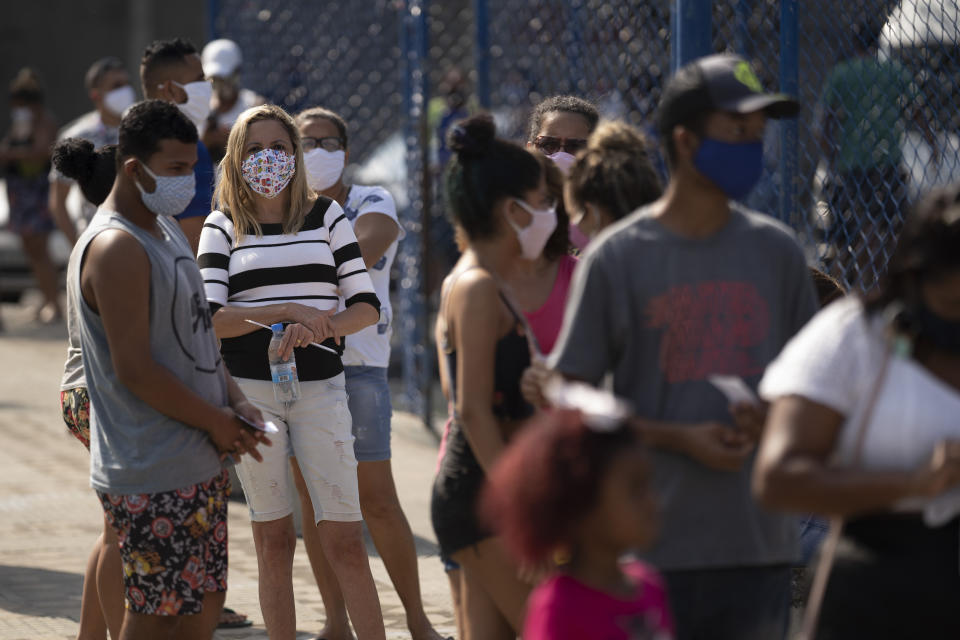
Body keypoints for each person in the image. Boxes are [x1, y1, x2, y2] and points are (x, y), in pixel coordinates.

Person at [547, 54, 817, 640]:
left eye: (756, 132)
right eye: (735, 130)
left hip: (760, 546)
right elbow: (569, 398)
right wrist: (675, 438)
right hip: (651, 550)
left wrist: (772, 417)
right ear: (687, 142)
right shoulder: (618, 258)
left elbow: (809, 390)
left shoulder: (778, 252)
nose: (752, 145)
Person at [72, 98, 270, 640]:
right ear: (134, 169)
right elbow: (135, 369)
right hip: (152, 468)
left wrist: (235, 402)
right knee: (157, 616)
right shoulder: (116, 247)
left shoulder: (163, 232)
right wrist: (216, 421)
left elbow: (197, 333)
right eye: (177, 170)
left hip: (196, 461)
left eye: (192, 168)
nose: (190, 182)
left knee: (201, 606)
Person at [197, 104, 385, 640]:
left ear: (294, 154)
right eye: (254, 149)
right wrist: (284, 312)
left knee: (345, 539)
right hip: (252, 394)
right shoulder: (221, 224)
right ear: (235, 157)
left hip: (322, 390)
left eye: (278, 147)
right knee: (272, 540)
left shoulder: (327, 216)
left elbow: (365, 306)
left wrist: (322, 327)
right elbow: (210, 321)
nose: (267, 159)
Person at [754, 184, 960, 639]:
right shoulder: (855, 337)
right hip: (874, 585)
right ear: (914, 278)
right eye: (950, 306)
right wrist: (914, 484)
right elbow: (780, 478)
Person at [294, 106, 445, 640]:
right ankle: (336, 621)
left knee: (377, 500)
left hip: (359, 369)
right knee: (314, 506)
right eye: (305, 143)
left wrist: (288, 267)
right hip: (298, 368)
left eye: (327, 142)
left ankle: (419, 619)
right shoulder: (281, 209)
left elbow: (358, 254)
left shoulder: (372, 199)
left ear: (347, 150)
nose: (317, 152)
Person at [431, 113, 550, 639]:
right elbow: (472, 408)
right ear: (511, 209)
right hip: (482, 495)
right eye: (543, 201)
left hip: (478, 490)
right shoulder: (477, 286)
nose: (550, 214)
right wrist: (520, 507)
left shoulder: (475, 280)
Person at [482, 383, 674, 640]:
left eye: (648, 485)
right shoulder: (558, 608)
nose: (653, 501)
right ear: (582, 507)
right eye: (635, 490)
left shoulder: (650, 587)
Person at [53, 138, 124, 640]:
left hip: (86, 392)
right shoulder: (115, 238)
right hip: (103, 395)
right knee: (120, 532)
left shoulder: (99, 230)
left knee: (114, 530)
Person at [818, 20, 935, 290]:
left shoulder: (842, 73)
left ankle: (860, 284)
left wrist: (832, 155)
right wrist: (931, 143)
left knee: (857, 228)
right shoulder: (893, 70)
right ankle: (883, 281)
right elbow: (916, 108)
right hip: (887, 162)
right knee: (891, 227)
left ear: (856, 44)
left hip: (852, 163)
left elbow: (825, 121)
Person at [140, 37, 216, 255]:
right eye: (200, 79)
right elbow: (199, 247)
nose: (208, 86)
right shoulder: (189, 150)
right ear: (171, 91)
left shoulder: (130, 141)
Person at [48, 56, 134, 246]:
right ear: (96, 95)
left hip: (142, 236)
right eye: (116, 85)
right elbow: (58, 201)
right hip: (96, 237)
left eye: (127, 83)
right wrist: (78, 246)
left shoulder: (143, 128)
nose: (125, 90)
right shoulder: (77, 135)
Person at [0, 68, 61, 323]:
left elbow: (41, 152)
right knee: (30, 250)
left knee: (40, 249)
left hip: (36, 192)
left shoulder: (45, 121)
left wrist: (11, 155)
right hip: (19, 191)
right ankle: (46, 298)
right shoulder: (21, 123)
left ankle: (54, 303)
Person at [564, 120, 663, 245]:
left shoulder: (602, 258)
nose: (577, 225)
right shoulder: (676, 242)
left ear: (591, 208)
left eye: (580, 214)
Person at [525, 95, 599, 250]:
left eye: (576, 147)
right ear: (530, 149)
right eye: (549, 145)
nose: (561, 155)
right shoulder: (514, 213)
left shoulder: (603, 219)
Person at [200, 39, 266, 164]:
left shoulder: (254, 106)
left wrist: (235, 142)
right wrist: (206, 141)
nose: (222, 85)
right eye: (216, 79)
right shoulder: (201, 108)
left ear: (237, 73)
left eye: (226, 78)